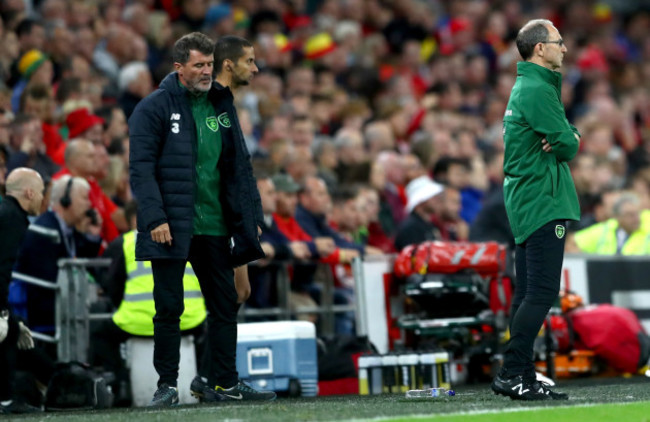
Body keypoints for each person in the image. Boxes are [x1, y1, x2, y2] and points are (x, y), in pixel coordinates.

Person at [128, 32, 275, 407]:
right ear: (179, 68)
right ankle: (167, 386)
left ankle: (224, 382)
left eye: (209, 65)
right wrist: (155, 217)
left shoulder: (220, 105)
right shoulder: (153, 108)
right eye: (198, 66)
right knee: (168, 308)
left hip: (214, 223)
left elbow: (239, 165)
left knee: (226, 304)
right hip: (171, 226)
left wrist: (249, 215)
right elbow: (141, 171)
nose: (206, 72)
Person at [491, 19, 580, 401]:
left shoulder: (528, 86)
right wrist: (571, 137)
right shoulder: (538, 90)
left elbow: (559, 136)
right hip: (543, 199)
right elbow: (566, 143)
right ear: (539, 48)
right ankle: (513, 371)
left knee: (527, 292)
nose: (565, 48)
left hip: (528, 199)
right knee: (541, 292)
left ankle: (522, 373)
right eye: (559, 42)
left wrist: (564, 135)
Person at [12, 175, 102, 335]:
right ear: (65, 200)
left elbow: (85, 262)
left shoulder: (70, 229)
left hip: (65, 310)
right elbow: (45, 283)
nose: (89, 204)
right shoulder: (45, 232)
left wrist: (92, 236)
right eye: (84, 198)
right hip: (44, 315)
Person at [0, 168, 44, 414]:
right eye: (40, 192)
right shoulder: (12, 218)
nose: (41, 198)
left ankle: (6, 400)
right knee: (7, 330)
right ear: (28, 192)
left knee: (12, 329)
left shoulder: (7, 213)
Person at [394, 175, 444, 251]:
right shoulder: (410, 229)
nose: (438, 200)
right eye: (433, 196)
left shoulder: (430, 225)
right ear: (420, 201)